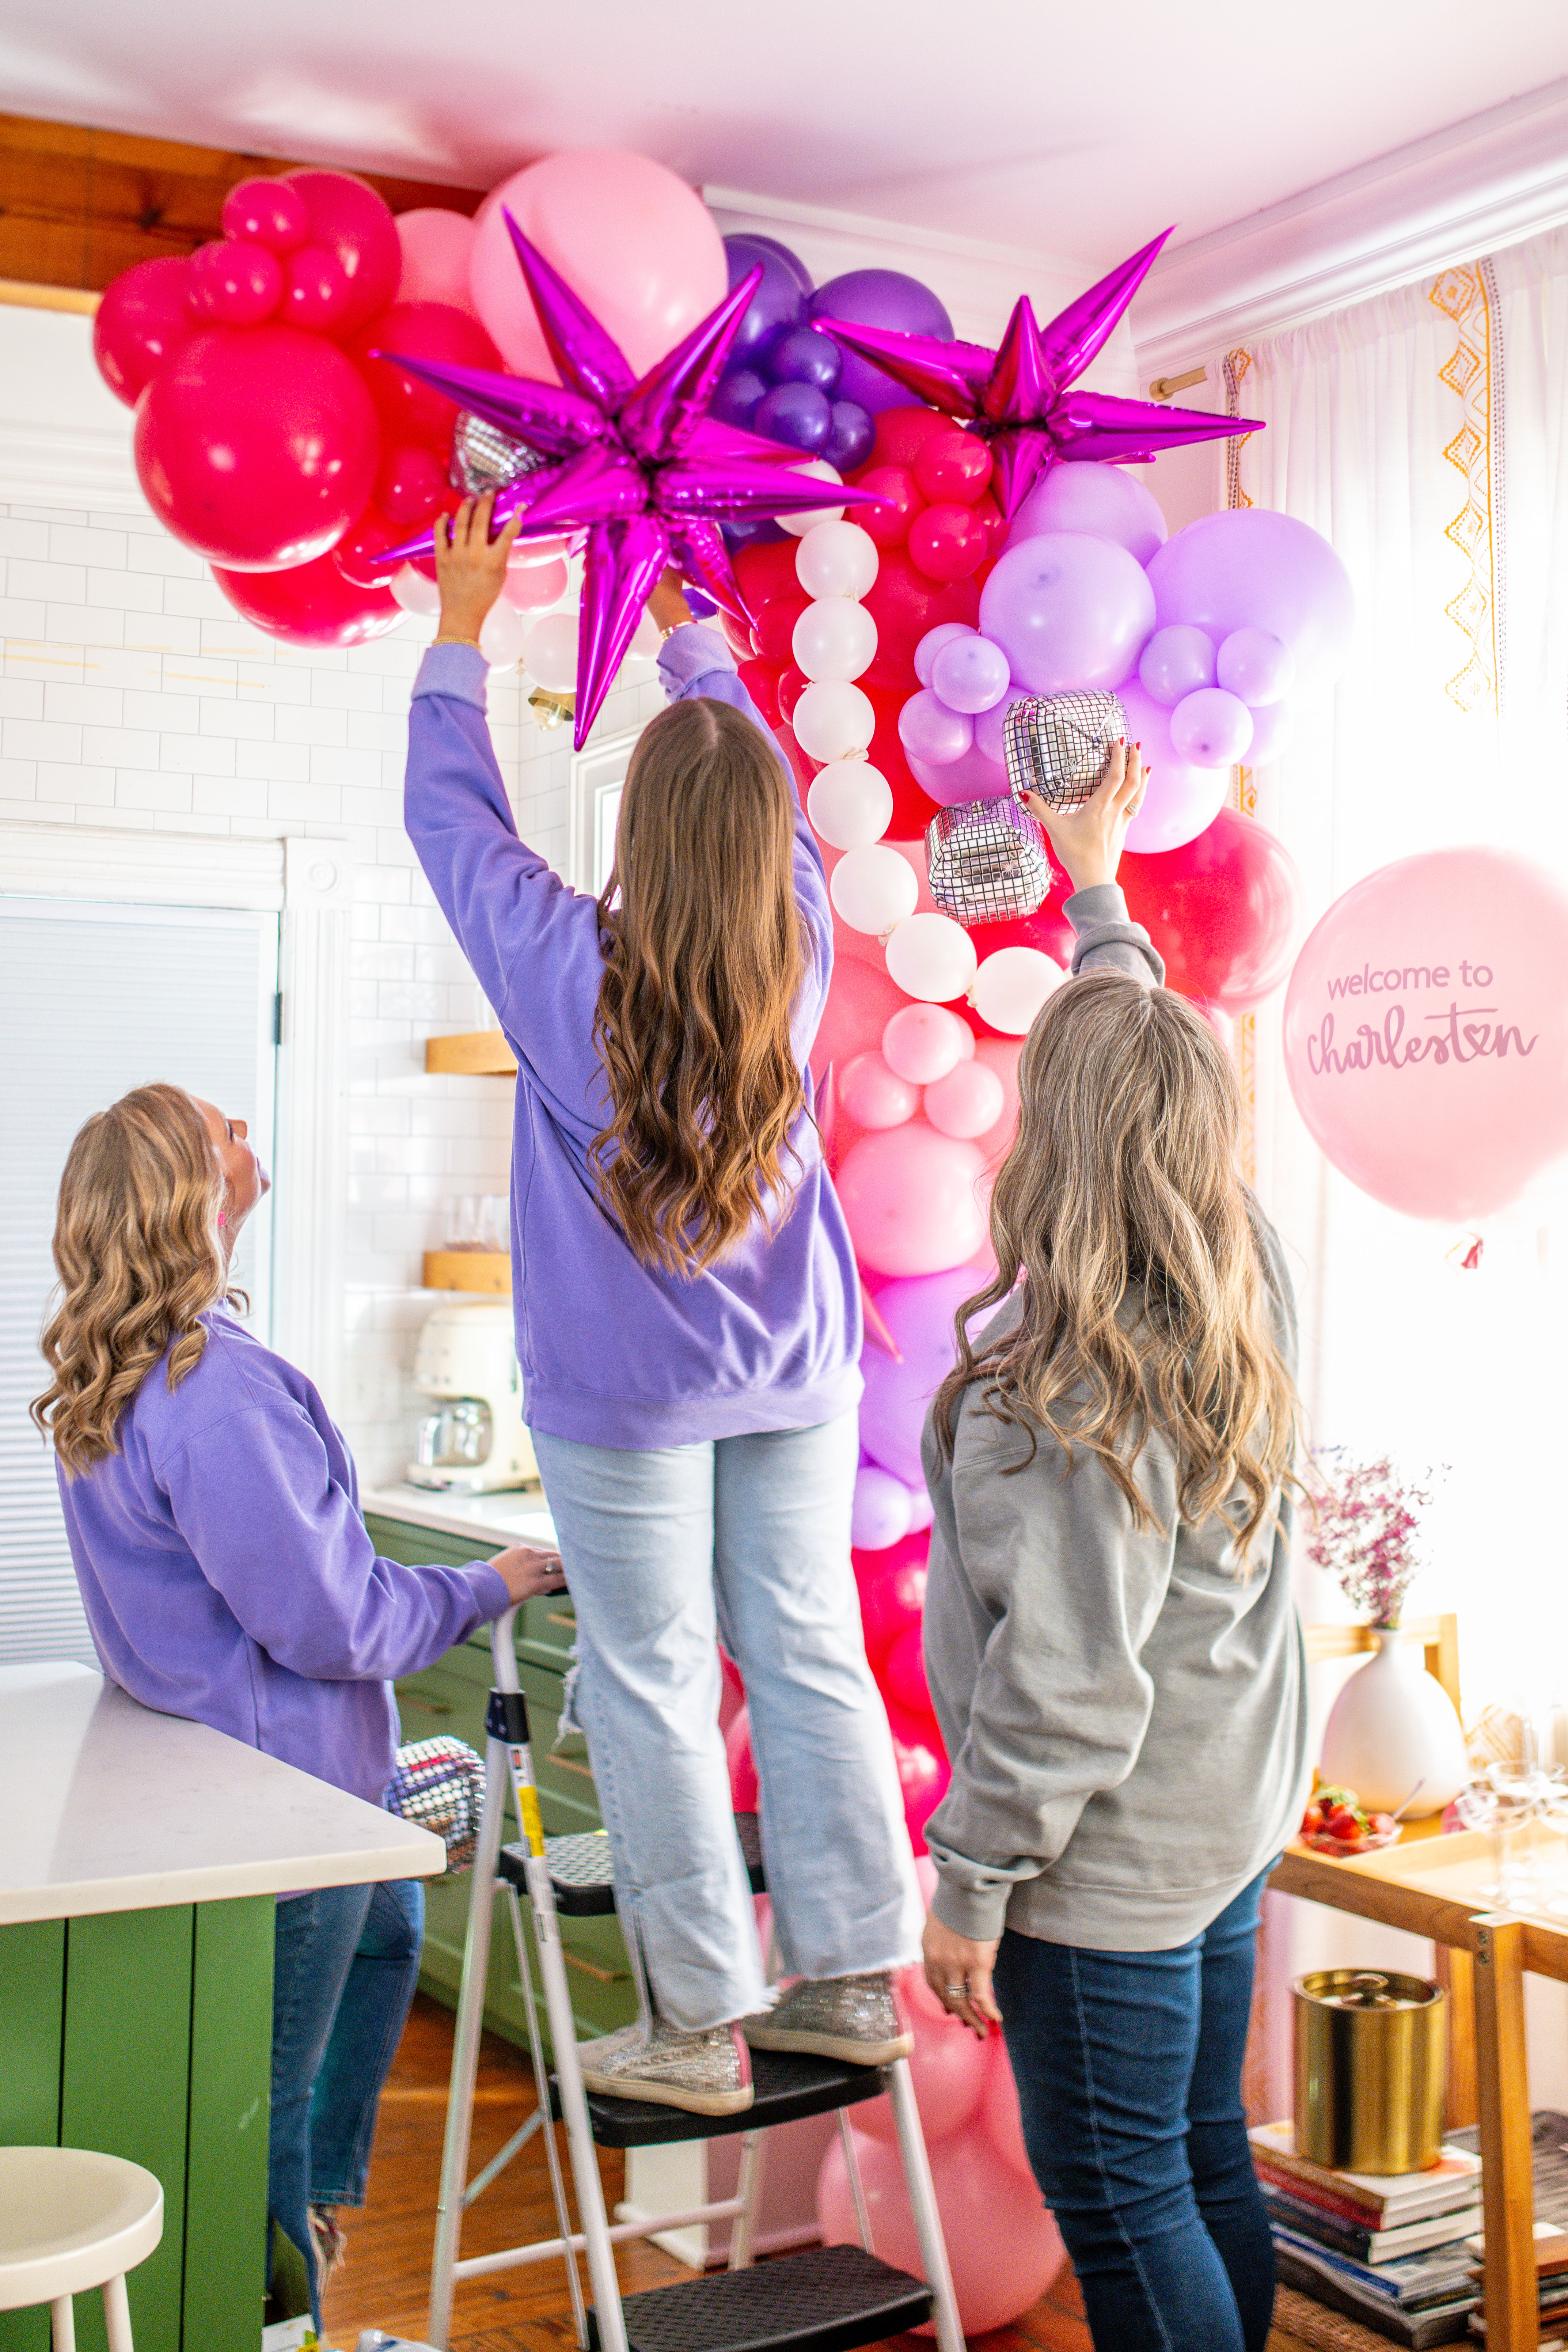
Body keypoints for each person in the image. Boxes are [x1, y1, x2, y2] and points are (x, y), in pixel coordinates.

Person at [405, 490, 927, 2117]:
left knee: (648, 1674)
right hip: (795, 1375)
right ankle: (851, 1980)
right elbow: (753, 798)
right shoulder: (800, 946)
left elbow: (452, 823)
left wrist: (458, 628)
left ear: (632, 841)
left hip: (630, 1392)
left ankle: (694, 2023)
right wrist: (694, 629)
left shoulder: (566, 970)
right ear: (761, 838)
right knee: (811, 1654)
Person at [31, 1081, 564, 2333]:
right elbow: (337, 1622)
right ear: (194, 1189)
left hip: (242, 1782)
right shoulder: (218, 1398)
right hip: (282, 1805)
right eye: (228, 1126)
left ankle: (312, 2215)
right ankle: (282, 2311)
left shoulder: (119, 1372)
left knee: (389, 1926)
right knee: (263, 2092)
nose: (250, 1136)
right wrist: (482, 1585)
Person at [916, 767, 1307, 2352]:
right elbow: (1134, 1055)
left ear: (1048, 1141)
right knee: (1199, 2156)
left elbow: (1067, 1688)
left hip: (1114, 1867)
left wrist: (971, 1881)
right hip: (1227, 1817)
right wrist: (1097, 898)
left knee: (1124, 2198)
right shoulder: (1244, 1259)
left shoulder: (1054, 1385)